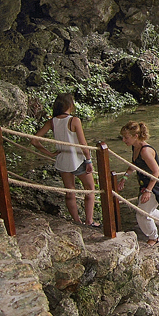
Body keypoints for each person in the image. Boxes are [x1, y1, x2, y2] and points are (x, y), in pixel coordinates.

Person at [32, 93, 99, 227]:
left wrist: (50, 153)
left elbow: (34, 140)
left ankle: (76, 221)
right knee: (90, 189)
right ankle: (89, 221)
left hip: (62, 160)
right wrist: (89, 160)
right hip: (77, 160)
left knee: (70, 191)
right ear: (69, 104)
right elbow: (83, 144)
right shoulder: (74, 120)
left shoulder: (52, 121)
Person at [117, 121, 159, 247]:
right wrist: (124, 178)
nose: (123, 140)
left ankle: (154, 238)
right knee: (148, 210)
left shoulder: (145, 151)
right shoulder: (135, 147)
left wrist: (149, 190)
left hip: (156, 185)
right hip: (145, 184)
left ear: (135, 136)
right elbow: (134, 164)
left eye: (126, 137)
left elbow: (156, 171)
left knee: (142, 214)